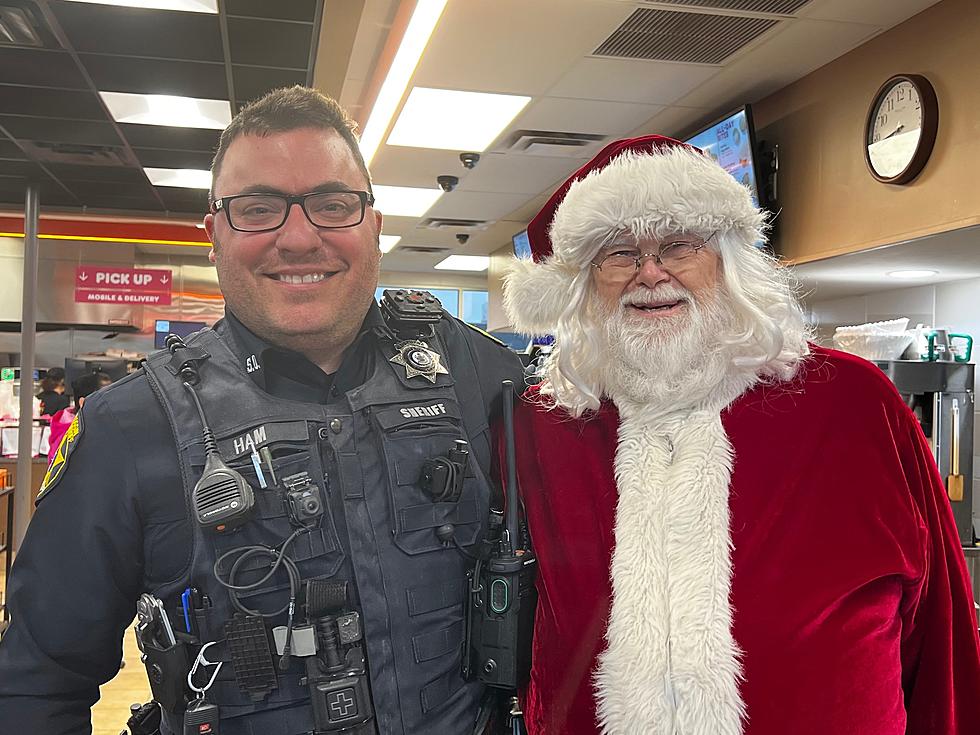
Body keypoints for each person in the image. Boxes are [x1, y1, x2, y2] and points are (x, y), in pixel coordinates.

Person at [0, 86, 524, 735]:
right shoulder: (128, 430)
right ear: (214, 234)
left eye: (333, 204)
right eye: (258, 208)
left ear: (375, 226)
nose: (300, 237)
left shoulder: (481, 377)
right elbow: (36, 682)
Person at [501, 135, 980, 735]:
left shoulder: (854, 403)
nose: (651, 273)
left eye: (680, 244)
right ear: (584, 282)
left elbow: (941, 630)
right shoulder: (547, 425)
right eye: (618, 252)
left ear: (728, 259)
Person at [47, 371, 113, 465]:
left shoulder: (89, 428)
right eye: (105, 397)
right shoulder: (70, 437)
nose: (111, 401)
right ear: (83, 402)